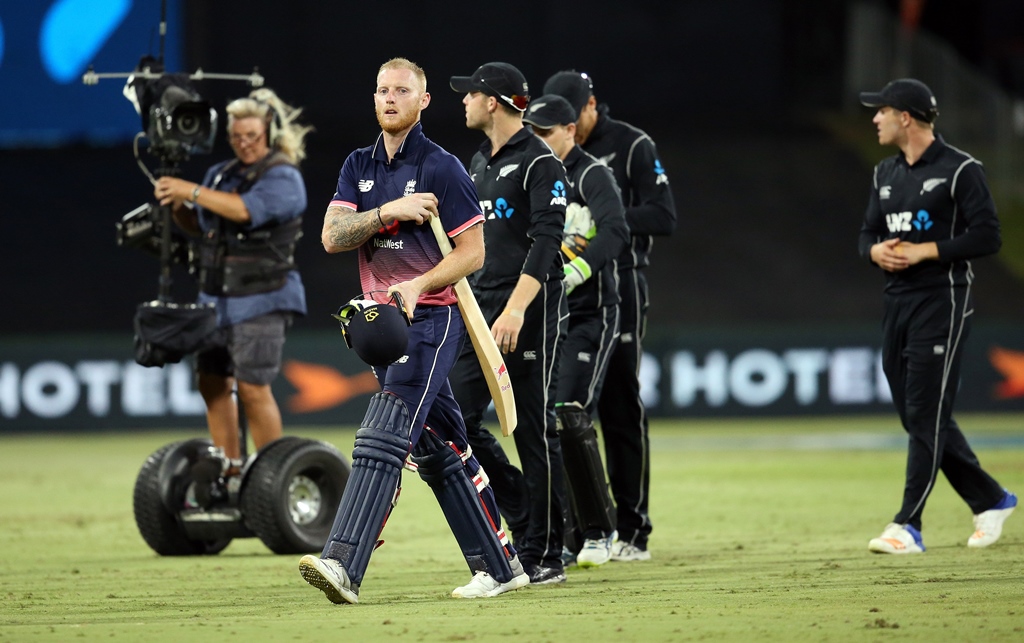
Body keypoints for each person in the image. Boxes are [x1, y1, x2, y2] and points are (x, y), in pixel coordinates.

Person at [298, 57, 527, 604]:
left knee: (386, 429)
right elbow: (332, 236)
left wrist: (420, 285)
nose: (390, 98)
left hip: (431, 318)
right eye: (382, 90)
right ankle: (501, 565)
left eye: (402, 91)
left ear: (423, 101)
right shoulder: (359, 165)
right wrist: (388, 212)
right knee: (440, 446)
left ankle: (343, 562)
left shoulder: (444, 168)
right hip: (380, 320)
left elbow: (474, 254)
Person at [857, 78, 1017, 554]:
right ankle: (990, 498)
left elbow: (988, 236)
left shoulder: (961, 169)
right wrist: (874, 253)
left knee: (925, 413)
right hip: (897, 302)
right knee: (918, 415)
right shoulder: (884, 172)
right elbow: (866, 232)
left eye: (881, 110)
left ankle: (907, 524)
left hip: (942, 301)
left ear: (905, 117)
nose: (874, 118)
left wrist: (929, 250)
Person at [543, 70, 677, 561]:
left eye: (571, 114)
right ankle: (581, 529)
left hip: (622, 283)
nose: (564, 124)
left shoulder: (632, 145)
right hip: (569, 289)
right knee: (570, 408)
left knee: (620, 404)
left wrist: (603, 215)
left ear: (591, 107)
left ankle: (633, 529)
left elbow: (664, 216)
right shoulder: (547, 152)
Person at [153, 87, 310, 502]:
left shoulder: (283, 176)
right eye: (237, 136)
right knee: (212, 383)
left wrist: (190, 191)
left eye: (252, 136)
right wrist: (176, 203)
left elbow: (244, 211)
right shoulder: (221, 174)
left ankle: (273, 479)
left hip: (263, 296)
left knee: (253, 386)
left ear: (269, 133)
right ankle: (230, 470)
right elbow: (202, 224)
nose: (243, 143)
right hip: (216, 298)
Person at [447, 62, 571, 584]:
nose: (464, 102)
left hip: (528, 308)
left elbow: (547, 241)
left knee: (532, 426)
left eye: (470, 94)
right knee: (457, 419)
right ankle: (521, 508)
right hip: (480, 307)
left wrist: (517, 308)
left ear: (492, 101)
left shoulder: (539, 163)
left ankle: (546, 553)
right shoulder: (478, 161)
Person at [523, 94, 629, 568]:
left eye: (546, 132)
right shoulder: (536, 173)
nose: (538, 140)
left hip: (591, 312)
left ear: (570, 130)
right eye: (533, 132)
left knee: (569, 412)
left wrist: (577, 272)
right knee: (545, 421)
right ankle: (563, 533)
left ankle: (599, 530)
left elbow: (616, 230)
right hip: (549, 315)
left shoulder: (590, 173)